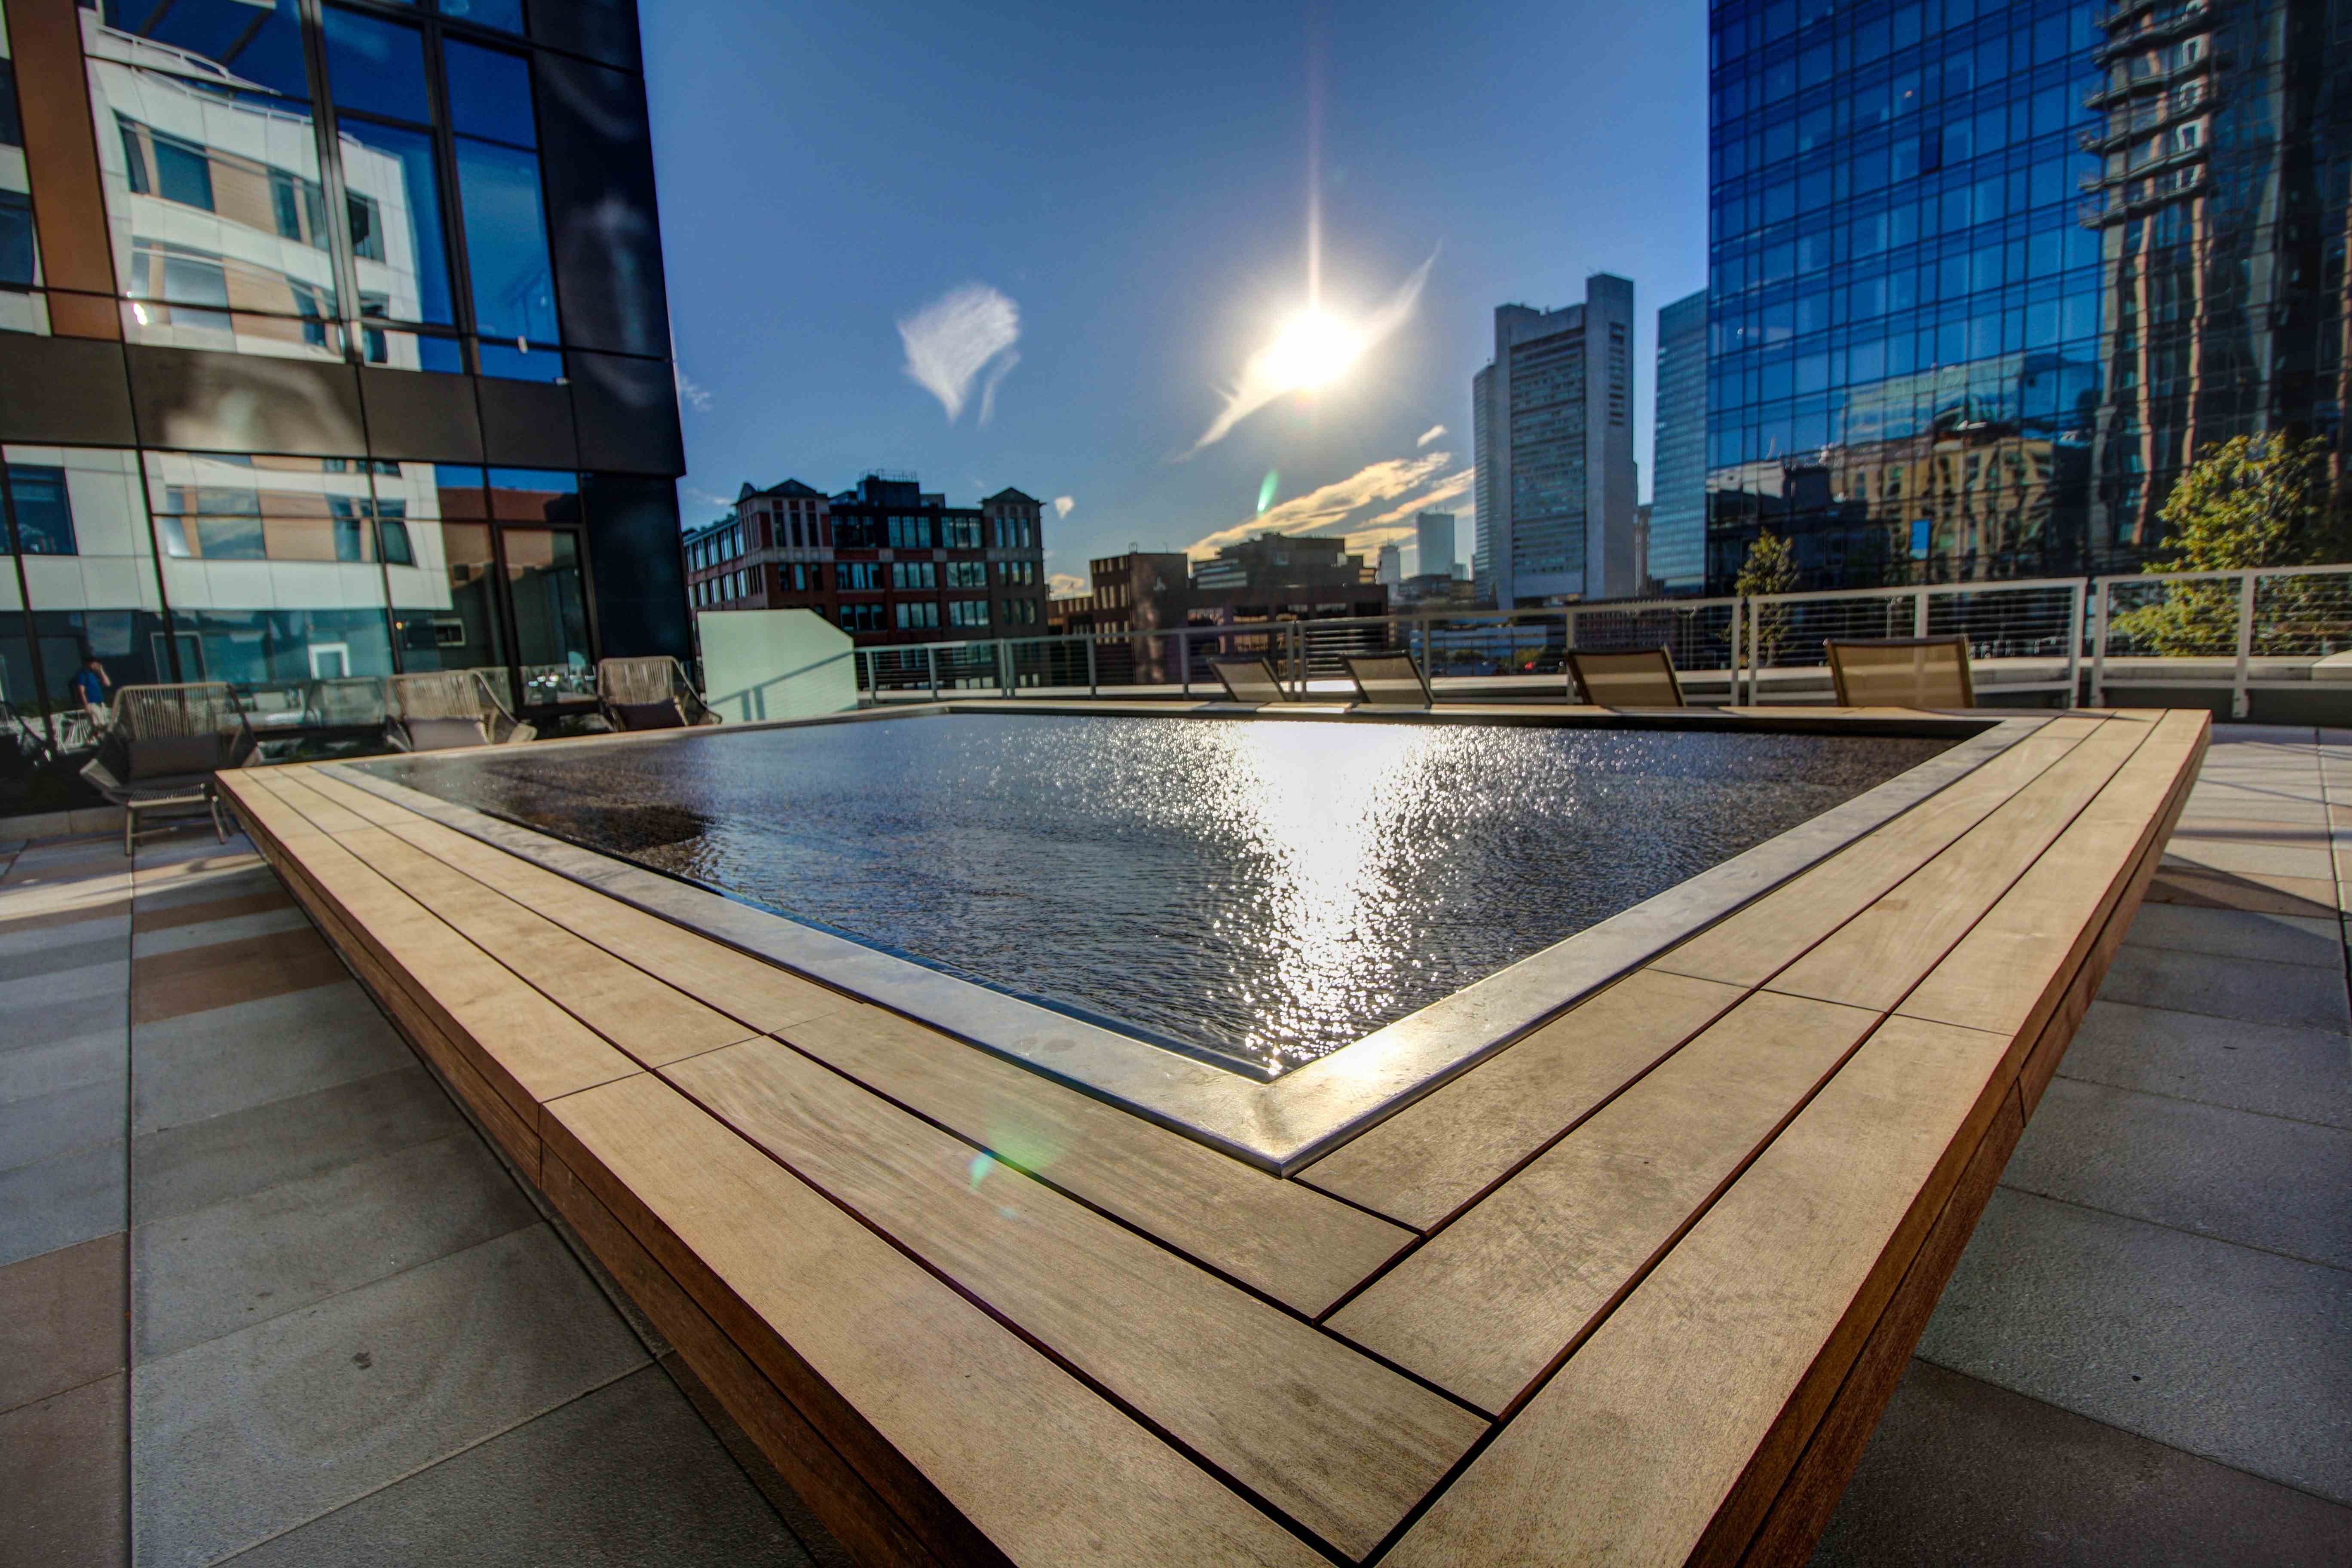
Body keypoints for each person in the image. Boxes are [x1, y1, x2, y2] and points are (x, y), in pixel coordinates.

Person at [68, 654, 109, 722]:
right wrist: (86, 705)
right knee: (98, 724)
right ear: (88, 664)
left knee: (105, 723)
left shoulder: (94, 675)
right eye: (94, 664)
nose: (95, 666)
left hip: (100, 703)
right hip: (91, 704)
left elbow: (107, 684)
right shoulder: (83, 674)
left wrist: (101, 671)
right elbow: (81, 691)